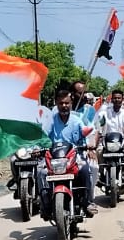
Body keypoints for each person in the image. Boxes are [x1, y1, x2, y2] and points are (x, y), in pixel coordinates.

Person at [40, 80, 96, 216]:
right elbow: (43, 136)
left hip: (74, 157)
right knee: (40, 172)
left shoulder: (77, 120)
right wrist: (38, 147)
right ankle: (45, 204)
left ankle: (87, 201)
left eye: (66, 103)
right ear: (56, 104)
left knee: (86, 169)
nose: (64, 106)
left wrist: (90, 145)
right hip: (54, 159)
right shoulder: (51, 120)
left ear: (71, 104)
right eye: (61, 103)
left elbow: (86, 132)